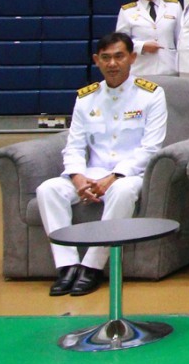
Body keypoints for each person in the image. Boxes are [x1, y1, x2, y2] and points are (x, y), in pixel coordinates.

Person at [36, 33, 168, 297]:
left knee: (121, 191)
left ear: (132, 58)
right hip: (92, 173)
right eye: (106, 58)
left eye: (119, 56)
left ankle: (91, 267)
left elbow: (151, 148)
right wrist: (77, 177)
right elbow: (74, 146)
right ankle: (67, 266)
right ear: (96, 60)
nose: (112, 64)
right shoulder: (87, 97)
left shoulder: (151, 95)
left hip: (131, 174)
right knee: (47, 190)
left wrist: (114, 177)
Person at [114, 0, 179, 77]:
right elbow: (121, 42)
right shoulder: (128, 11)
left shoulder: (174, 6)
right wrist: (142, 46)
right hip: (141, 69)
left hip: (169, 68)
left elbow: (180, 38)